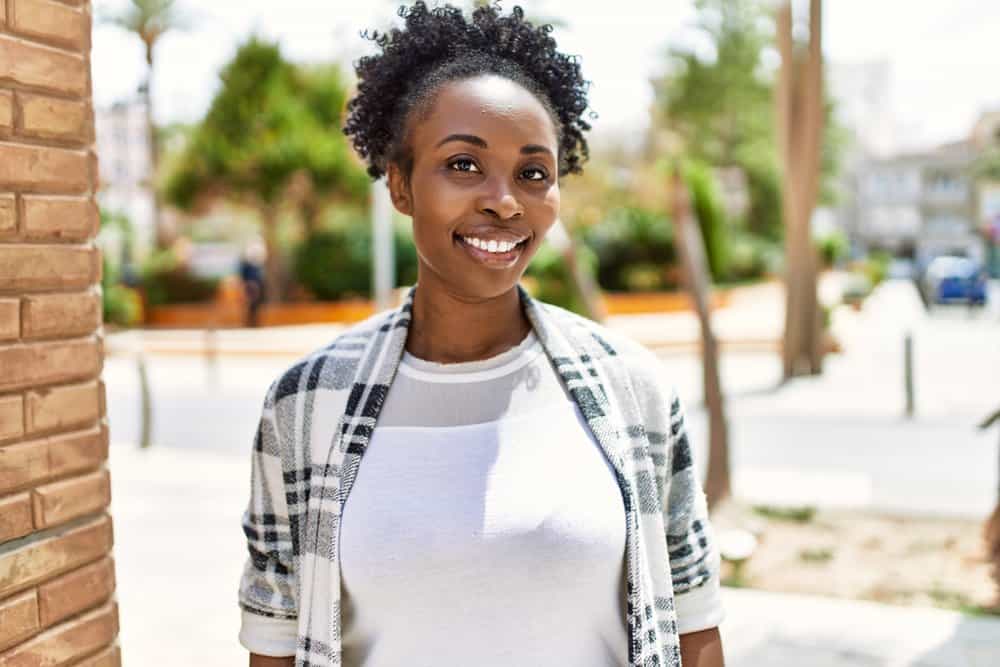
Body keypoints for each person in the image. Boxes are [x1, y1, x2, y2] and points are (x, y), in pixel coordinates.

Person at [238, 4, 725, 666]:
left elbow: (693, 625)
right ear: (402, 185)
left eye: (533, 172)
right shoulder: (305, 406)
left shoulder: (631, 388)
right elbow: (275, 642)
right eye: (464, 164)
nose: (505, 199)